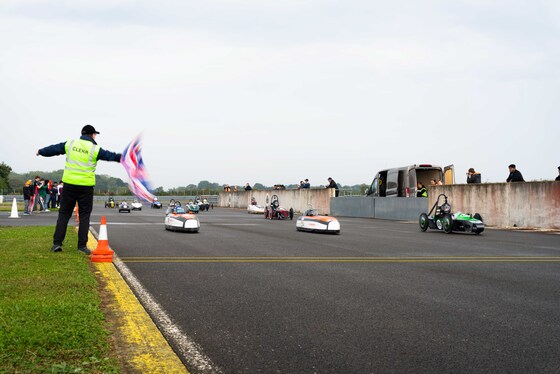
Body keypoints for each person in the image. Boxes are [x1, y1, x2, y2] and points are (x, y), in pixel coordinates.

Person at [36, 124, 121, 254]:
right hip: (86, 187)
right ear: (92, 135)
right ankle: (82, 246)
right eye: (95, 134)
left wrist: (41, 151)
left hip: (69, 185)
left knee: (64, 214)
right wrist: (124, 157)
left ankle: (57, 244)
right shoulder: (95, 149)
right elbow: (110, 156)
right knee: (84, 215)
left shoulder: (70, 144)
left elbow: (54, 149)